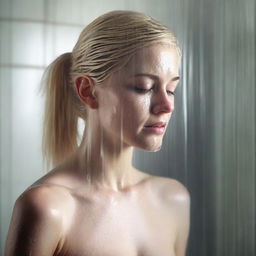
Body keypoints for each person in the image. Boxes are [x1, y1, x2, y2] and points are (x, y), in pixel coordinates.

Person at [5, 10, 190, 256]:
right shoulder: (48, 208)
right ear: (88, 91)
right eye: (143, 87)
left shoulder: (173, 199)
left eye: (171, 89)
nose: (167, 106)